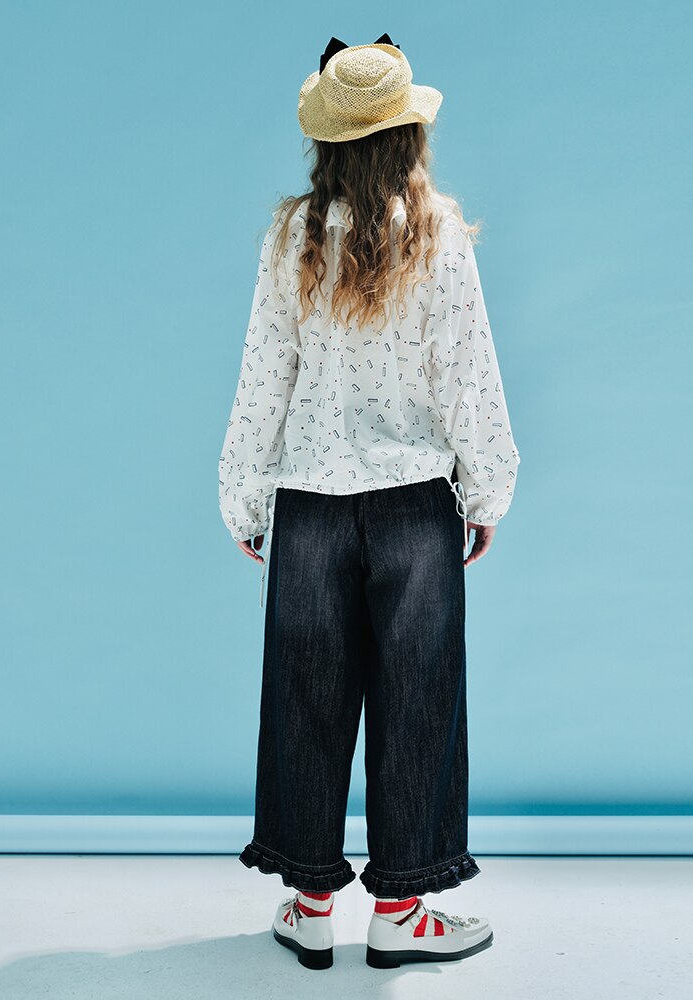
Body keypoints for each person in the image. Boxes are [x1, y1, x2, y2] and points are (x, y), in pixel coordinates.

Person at [218, 34, 521, 971]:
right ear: (407, 136)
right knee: (418, 700)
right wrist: (487, 488)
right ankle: (402, 913)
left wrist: (243, 496)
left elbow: (264, 375)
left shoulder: (292, 237)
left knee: (303, 698)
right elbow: (468, 377)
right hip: (414, 508)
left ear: (328, 141)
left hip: (310, 502)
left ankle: (310, 904)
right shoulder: (440, 235)